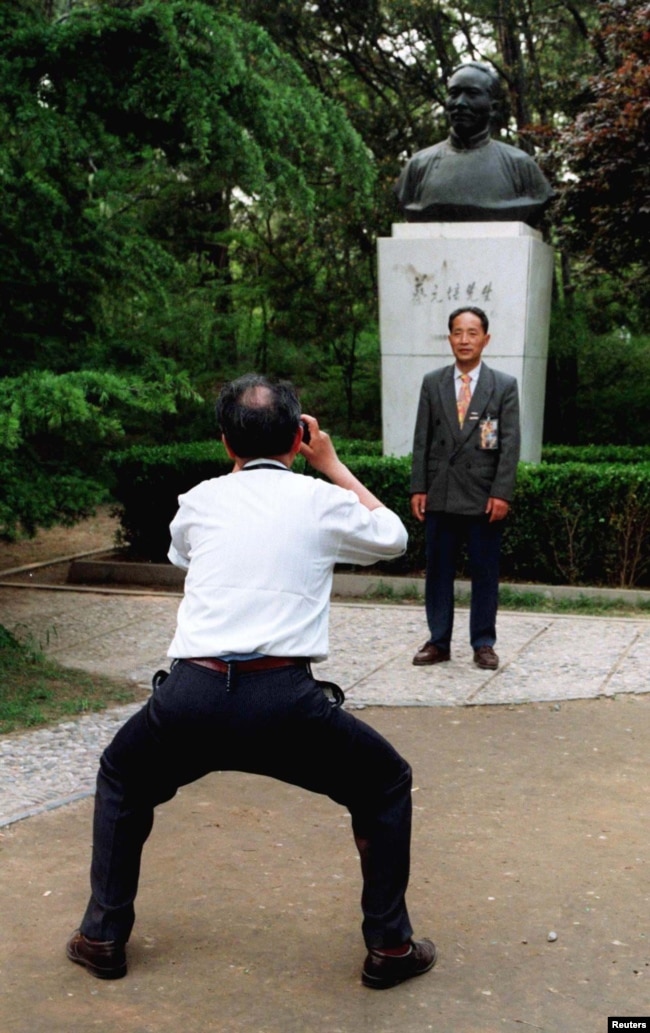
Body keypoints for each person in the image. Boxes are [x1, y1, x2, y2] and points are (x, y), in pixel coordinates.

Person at [66, 373, 436, 991]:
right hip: (285, 703)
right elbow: (394, 537)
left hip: (191, 696)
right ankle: (390, 948)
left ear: (224, 443)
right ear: (299, 437)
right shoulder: (322, 502)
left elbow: (183, 555)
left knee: (122, 778)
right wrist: (334, 465)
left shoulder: (199, 499)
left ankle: (102, 936)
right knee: (385, 782)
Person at [410, 307, 520, 670]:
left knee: (485, 572)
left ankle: (483, 643)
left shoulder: (503, 385)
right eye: (458, 332)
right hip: (440, 491)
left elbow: (509, 443)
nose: (464, 340)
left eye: (472, 333)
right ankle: (438, 640)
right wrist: (419, 487)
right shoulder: (433, 382)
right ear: (450, 338)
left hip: (483, 494)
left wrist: (501, 493)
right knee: (438, 570)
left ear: (485, 339)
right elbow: (421, 441)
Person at [394, 62, 554, 226]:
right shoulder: (417, 165)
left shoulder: (520, 165)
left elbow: (541, 199)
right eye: (454, 93)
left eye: (472, 94)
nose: (460, 103)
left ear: (493, 107)